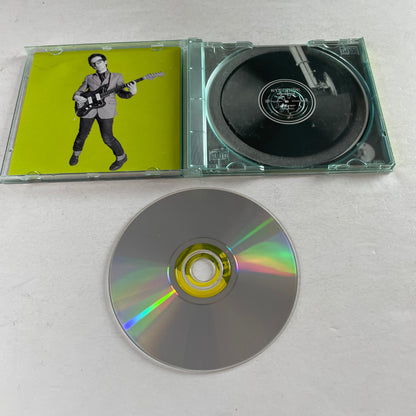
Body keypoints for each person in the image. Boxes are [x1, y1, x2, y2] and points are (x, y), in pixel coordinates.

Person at [70, 53, 137, 170]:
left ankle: (121, 157)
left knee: (107, 137)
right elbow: (80, 91)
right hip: (88, 109)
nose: (97, 65)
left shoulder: (117, 76)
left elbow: (121, 93)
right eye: (93, 64)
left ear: (105, 62)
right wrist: (76, 96)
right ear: (92, 66)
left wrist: (132, 92)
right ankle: (75, 154)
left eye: (99, 61)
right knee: (82, 134)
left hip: (107, 110)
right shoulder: (88, 78)